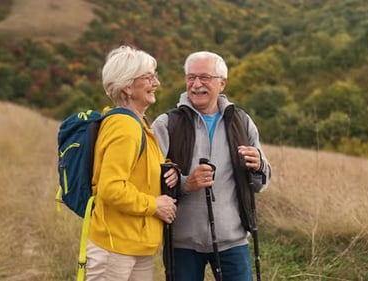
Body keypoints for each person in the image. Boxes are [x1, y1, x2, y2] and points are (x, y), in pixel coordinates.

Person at [152, 51, 272, 281]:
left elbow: (262, 181)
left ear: (222, 83)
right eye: (191, 77)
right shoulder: (166, 124)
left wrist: (258, 166)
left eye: (205, 77)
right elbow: (149, 182)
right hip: (181, 241)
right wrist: (187, 183)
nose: (196, 84)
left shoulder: (241, 121)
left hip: (233, 240)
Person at [86, 45, 179, 281]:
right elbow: (111, 188)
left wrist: (169, 172)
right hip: (115, 247)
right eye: (148, 77)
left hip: (135, 246)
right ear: (128, 86)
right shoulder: (125, 127)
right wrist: (154, 205)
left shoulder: (139, 124)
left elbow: (139, 172)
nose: (156, 83)